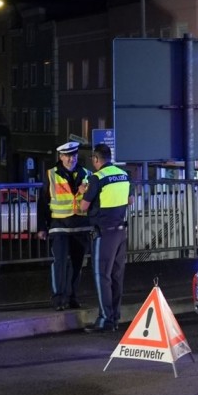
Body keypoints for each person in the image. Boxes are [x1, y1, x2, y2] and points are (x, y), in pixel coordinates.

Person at [80, 142, 130, 332]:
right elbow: (129, 199)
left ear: (96, 159)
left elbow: (83, 207)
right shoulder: (124, 174)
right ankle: (115, 317)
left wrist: (84, 192)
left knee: (102, 275)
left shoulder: (97, 178)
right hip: (120, 231)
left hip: (104, 233)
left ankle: (105, 319)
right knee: (117, 276)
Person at [36, 140, 92, 311]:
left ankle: (72, 297)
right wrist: (42, 227)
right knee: (60, 263)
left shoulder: (87, 174)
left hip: (80, 226)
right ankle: (58, 298)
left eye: (73, 155)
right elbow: (43, 203)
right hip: (59, 226)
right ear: (60, 157)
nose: (71, 159)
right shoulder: (51, 174)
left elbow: (93, 200)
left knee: (77, 265)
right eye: (67, 156)